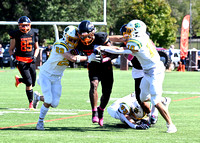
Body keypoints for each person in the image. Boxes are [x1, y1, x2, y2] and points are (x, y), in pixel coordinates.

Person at [99, 20, 177, 133]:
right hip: (147, 71)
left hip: (156, 72)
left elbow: (120, 50)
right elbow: (122, 39)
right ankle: (163, 100)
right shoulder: (143, 36)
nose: (127, 34)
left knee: (155, 101)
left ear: (136, 32)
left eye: (130, 31)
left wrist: (103, 48)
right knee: (141, 97)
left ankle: (170, 125)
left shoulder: (136, 43)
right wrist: (108, 39)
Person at [33, 26, 100, 130]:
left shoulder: (75, 46)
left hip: (57, 78)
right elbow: (72, 58)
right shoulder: (60, 45)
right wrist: (88, 58)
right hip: (45, 75)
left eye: (75, 40)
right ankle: (40, 122)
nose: (73, 42)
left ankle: (38, 97)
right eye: (71, 39)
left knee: (54, 104)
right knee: (49, 100)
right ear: (65, 37)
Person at [76, 20, 115, 126]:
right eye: (82, 36)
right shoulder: (78, 42)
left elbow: (115, 52)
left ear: (93, 33)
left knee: (107, 93)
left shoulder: (101, 37)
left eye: (88, 36)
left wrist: (106, 59)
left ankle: (101, 110)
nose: (85, 39)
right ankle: (94, 112)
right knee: (94, 85)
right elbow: (74, 56)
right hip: (93, 66)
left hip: (106, 66)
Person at [8, 16, 40, 109]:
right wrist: (13, 58)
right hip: (20, 60)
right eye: (22, 25)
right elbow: (11, 49)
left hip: (31, 60)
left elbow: (37, 48)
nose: (24, 27)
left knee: (32, 83)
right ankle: (31, 103)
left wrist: (35, 56)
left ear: (29, 25)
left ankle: (19, 80)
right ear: (19, 26)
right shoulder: (15, 34)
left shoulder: (34, 33)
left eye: (26, 25)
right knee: (29, 83)